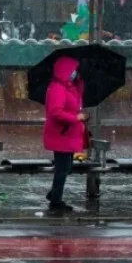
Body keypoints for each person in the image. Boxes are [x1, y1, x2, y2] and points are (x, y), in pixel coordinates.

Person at [43, 56, 88, 213]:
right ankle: (56, 200)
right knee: (62, 169)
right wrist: (76, 118)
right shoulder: (57, 88)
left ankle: (54, 194)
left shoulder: (71, 88)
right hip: (61, 134)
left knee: (66, 167)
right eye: (73, 70)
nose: (75, 73)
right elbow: (55, 112)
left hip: (68, 135)